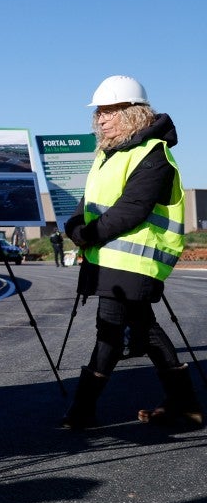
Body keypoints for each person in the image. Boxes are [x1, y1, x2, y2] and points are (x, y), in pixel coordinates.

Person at [60, 75, 202, 430]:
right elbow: (88, 202)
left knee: (108, 331)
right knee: (145, 328)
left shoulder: (153, 154)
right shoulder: (108, 154)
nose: (101, 119)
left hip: (135, 262)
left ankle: (82, 411)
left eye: (109, 111)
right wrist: (74, 226)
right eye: (99, 113)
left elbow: (133, 208)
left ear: (133, 112)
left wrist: (87, 234)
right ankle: (185, 404)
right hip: (106, 259)